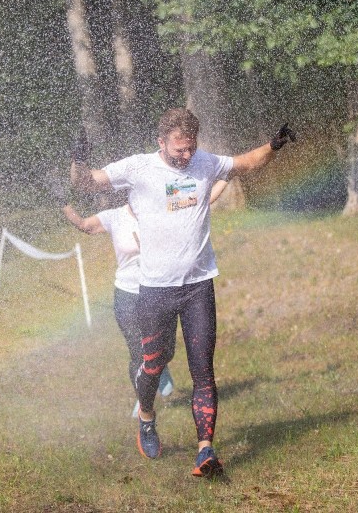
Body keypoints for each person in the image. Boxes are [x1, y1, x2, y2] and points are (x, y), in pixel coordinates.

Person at [71, 108, 296, 478]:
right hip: (155, 289)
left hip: (197, 286)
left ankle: (205, 450)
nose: (185, 156)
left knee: (203, 371)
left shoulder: (205, 163)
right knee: (152, 366)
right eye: (178, 150)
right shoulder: (139, 168)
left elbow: (246, 164)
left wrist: (273, 145)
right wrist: (77, 161)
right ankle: (146, 417)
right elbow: (88, 183)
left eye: (190, 148)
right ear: (161, 143)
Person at [60, 180, 230, 418]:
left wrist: (227, 175)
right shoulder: (114, 217)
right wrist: (63, 203)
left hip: (161, 291)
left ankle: (161, 365)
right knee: (137, 352)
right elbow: (85, 225)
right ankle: (143, 404)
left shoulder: (165, 211)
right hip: (128, 294)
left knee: (165, 349)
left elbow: (203, 200)